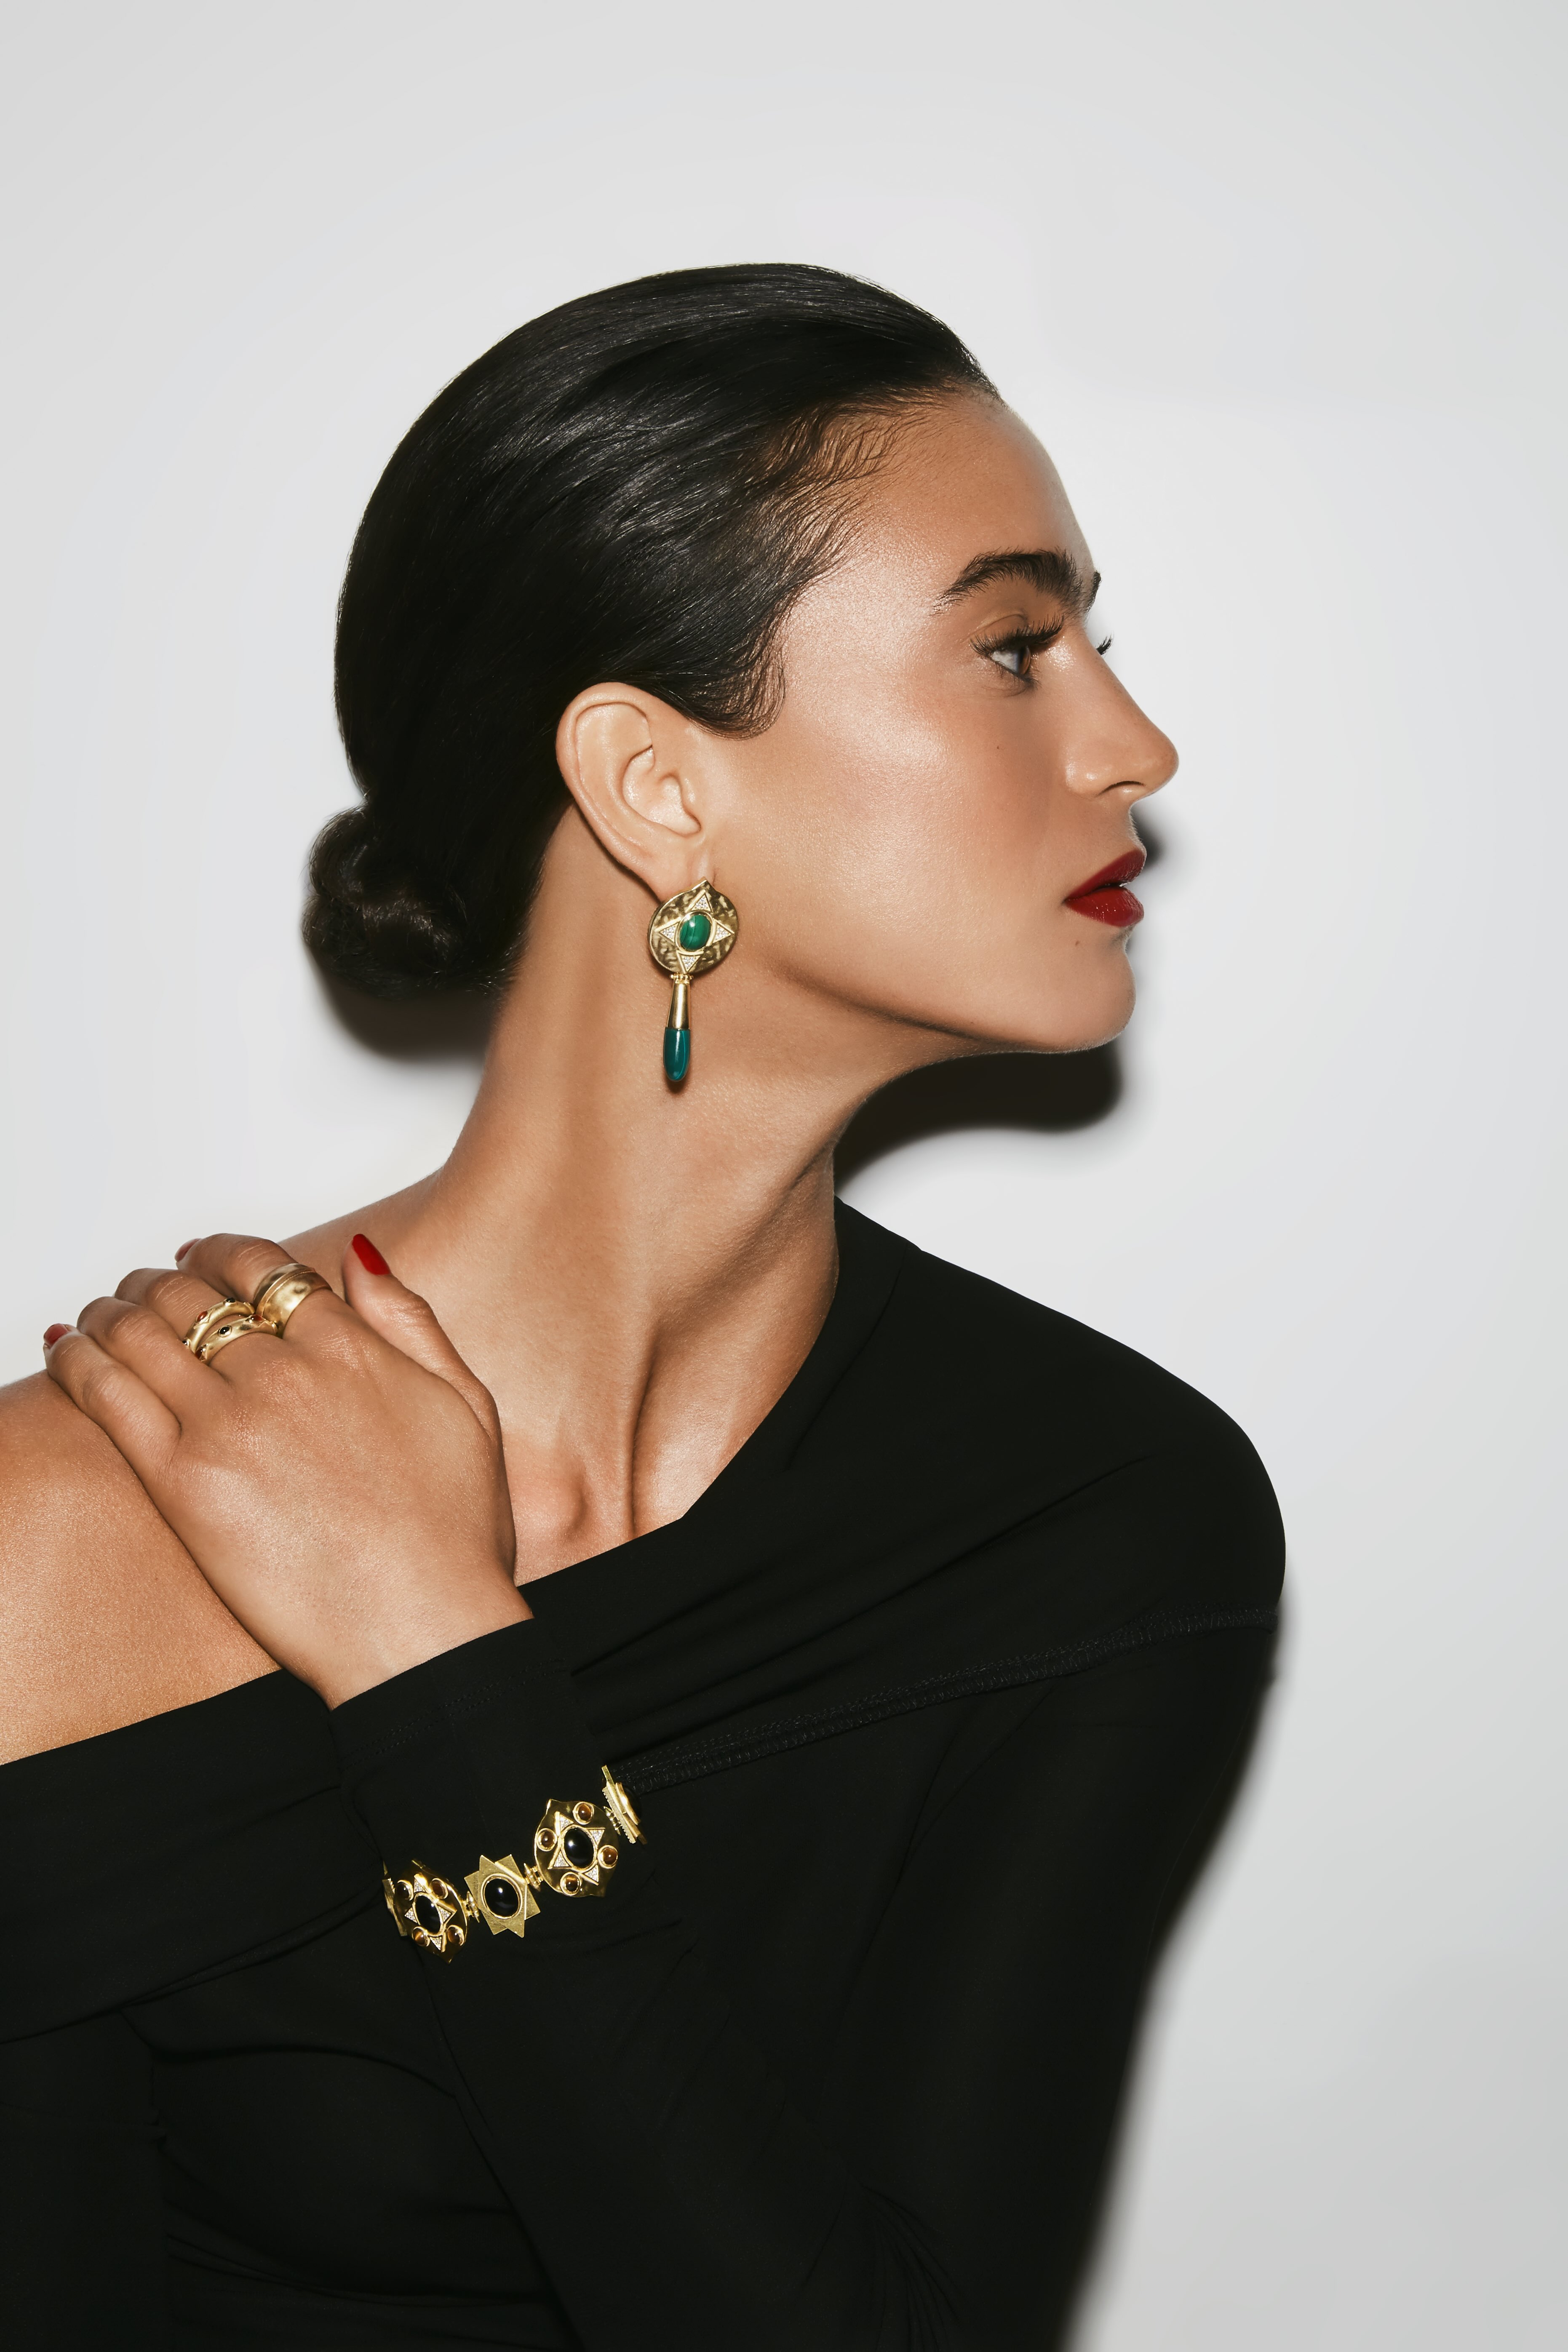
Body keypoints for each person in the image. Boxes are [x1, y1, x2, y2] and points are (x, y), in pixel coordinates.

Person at [0, 265, 1282, 2349]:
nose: (1133, 743)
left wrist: (431, 1652)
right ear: (654, 783)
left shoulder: (1107, 1513)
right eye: (1013, 647)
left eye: (1093, 647)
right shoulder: (65, 1522)